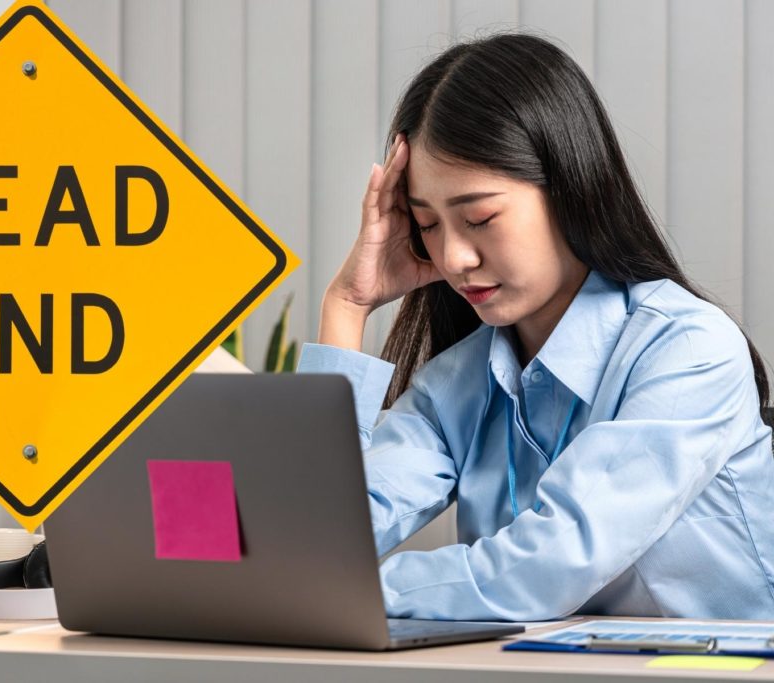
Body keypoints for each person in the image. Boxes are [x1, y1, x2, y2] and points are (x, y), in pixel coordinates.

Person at [297, 33, 774, 621]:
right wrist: (347, 305)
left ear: (571, 190)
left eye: (480, 218)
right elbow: (311, 542)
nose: (453, 259)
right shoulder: (457, 385)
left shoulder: (689, 350)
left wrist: (340, 588)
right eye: (427, 224)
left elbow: (552, 562)